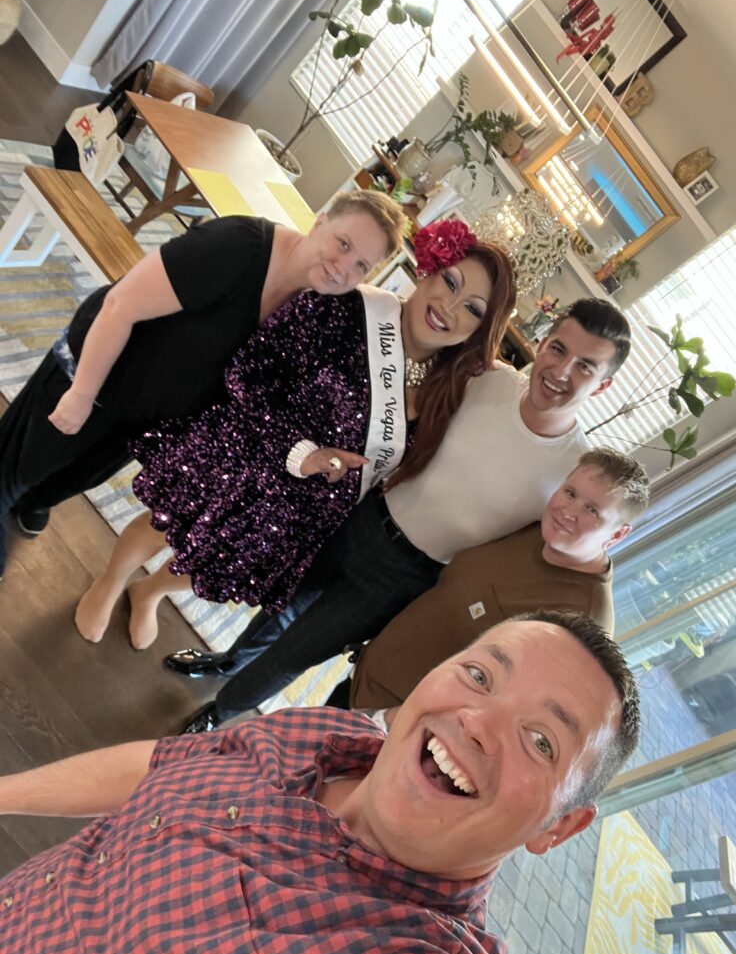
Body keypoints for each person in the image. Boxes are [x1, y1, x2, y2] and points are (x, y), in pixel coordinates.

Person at [0, 611, 640, 954]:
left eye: (541, 741)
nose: (479, 722)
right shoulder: (323, 739)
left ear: (559, 827)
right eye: (479, 676)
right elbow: (159, 767)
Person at [167, 296, 634, 732]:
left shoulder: (571, 471)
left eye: (585, 367)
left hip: (407, 575)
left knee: (296, 650)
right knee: (283, 605)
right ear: (543, 341)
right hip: (364, 515)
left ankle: (219, 713)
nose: (561, 370)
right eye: (558, 349)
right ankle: (227, 660)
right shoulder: (487, 379)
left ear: (604, 385)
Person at [74, 222, 516, 649]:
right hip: (243, 457)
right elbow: (250, 373)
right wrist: (301, 451)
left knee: (215, 565)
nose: (450, 308)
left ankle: (150, 592)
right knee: (164, 526)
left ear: (480, 330)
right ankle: (111, 580)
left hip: (294, 516)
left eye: (474, 309)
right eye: (451, 282)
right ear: (429, 270)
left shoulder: (445, 396)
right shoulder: (343, 308)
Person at [0, 190, 407, 577]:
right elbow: (119, 304)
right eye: (343, 244)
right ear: (319, 223)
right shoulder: (237, 244)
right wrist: (82, 394)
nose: (344, 267)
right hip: (101, 373)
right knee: (21, 462)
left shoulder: (309, 307)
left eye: (361, 266)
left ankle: (33, 497)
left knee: (74, 477)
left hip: (146, 416)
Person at [342, 447, 650, 711]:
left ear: (618, 534)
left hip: (393, 728)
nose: (568, 511)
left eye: (592, 510)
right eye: (570, 493)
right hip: (364, 678)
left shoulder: (586, 621)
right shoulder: (536, 530)